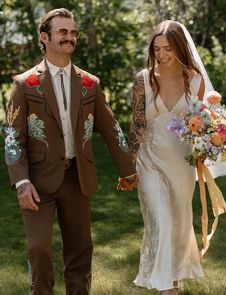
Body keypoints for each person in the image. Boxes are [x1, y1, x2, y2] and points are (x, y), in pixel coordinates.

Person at [4, 8, 137, 295]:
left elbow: (112, 130)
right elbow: (13, 136)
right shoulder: (24, 84)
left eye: (73, 32)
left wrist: (129, 171)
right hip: (37, 181)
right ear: (45, 37)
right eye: (62, 32)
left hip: (78, 178)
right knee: (39, 247)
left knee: (80, 249)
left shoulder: (90, 84)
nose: (69, 37)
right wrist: (21, 181)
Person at [128, 20, 226, 295]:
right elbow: (137, 125)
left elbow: (201, 119)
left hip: (181, 163)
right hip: (149, 160)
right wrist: (127, 165)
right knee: (160, 219)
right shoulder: (143, 79)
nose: (161, 55)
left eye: (168, 49)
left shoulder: (195, 79)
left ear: (180, 48)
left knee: (178, 222)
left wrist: (212, 139)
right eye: (157, 48)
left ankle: (170, 277)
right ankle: (167, 289)